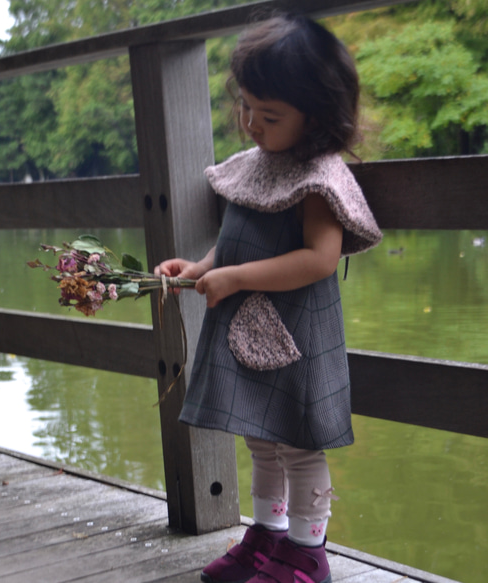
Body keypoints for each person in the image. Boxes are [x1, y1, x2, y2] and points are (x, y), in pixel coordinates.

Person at [155, 14, 382, 583]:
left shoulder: (317, 176)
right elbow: (236, 242)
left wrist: (236, 279)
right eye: (246, 108)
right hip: (245, 329)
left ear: (316, 116)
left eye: (270, 115)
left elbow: (319, 258)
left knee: (298, 442)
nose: (252, 124)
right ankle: (267, 537)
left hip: (297, 331)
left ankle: (307, 554)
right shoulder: (254, 168)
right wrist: (200, 267)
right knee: (260, 436)